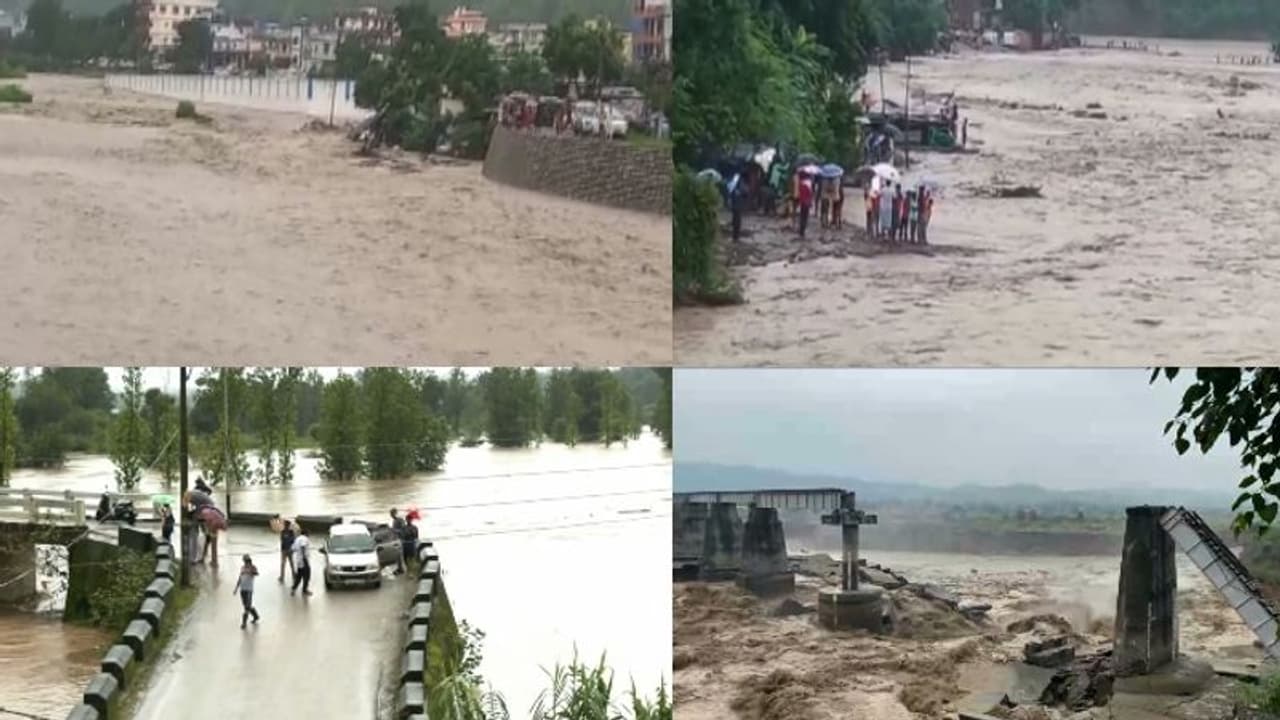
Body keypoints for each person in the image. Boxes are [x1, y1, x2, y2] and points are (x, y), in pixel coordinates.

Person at [234, 554, 260, 628]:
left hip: (249, 590)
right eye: (245, 561)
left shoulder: (253, 567)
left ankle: (244, 623)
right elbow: (240, 578)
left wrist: (250, 571)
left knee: (247, 607)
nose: (246, 562)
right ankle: (256, 615)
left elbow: (256, 573)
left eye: (247, 560)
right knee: (246, 606)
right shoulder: (242, 568)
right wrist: (236, 588)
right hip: (242, 589)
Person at [290, 528, 312, 596]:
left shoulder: (297, 539)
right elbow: (303, 546)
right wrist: (304, 558)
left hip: (298, 560)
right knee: (307, 575)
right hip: (303, 560)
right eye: (309, 534)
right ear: (306, 533)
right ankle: (304, 590)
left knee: (299, 576)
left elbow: (292, 549)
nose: (309, 535)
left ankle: (294, 589)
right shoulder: (304, 538)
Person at [278, 519, 296, 583]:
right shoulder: (282, 532)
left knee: (291, 563)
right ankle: (282, 577)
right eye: (285, 525)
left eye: (287, 525)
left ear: (288, 525)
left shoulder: (291, 532)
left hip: (289, 550)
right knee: (283, 564)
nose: (286, 526)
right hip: (284, 550)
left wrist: (291, 548)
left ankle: (294, 575)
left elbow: (293, 540)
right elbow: (282, 540)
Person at [796, 173, 814, 239]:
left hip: (802, 202)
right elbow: (810, 194)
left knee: (802, 216)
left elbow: (800, 194)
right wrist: (811, 203)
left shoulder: (801, 184)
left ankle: (801, 231)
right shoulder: (809, 184)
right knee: (805, 217)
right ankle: (803, 231)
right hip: (807, 203)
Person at [391, 508, 407, 575]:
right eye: (391, 514)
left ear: (395, 513)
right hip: (396, 539)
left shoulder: (400, 520)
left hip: (400, 539)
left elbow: (403, 529)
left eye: (392, 514)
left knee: (399, 555)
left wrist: (395, 531)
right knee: (397, 556)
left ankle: (401, 569)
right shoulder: (394, 520)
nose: (391, 515)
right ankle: (399, 568)